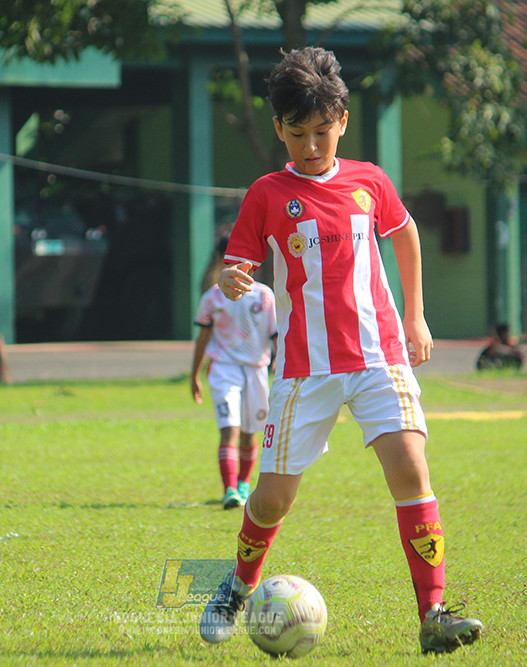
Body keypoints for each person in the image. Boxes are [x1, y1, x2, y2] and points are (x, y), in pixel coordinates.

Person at [198, 47, 483, 655]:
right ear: (278, 129)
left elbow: (405, 236)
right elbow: (238, 263)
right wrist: (230, 279)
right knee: (272, 499)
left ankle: (432, 614)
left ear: (342, 123)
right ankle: (237, 586)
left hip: (380, 357)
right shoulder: (268, 193)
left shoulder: (370, 181)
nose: (310, 146)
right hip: (305, 370)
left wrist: (415, 315)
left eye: (322, 133)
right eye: (297, 134)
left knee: (410, 469)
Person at [191, 235, 278, 509]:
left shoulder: (264, 295)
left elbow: (276, 334)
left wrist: (283, 360)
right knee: (230, 429)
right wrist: (194, 374)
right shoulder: (213, 297)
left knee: (249, 434)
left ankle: (243, 484)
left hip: (256, 370)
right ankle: (229, 490)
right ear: (222, 262)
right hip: (223, 370)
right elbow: (203, 338)